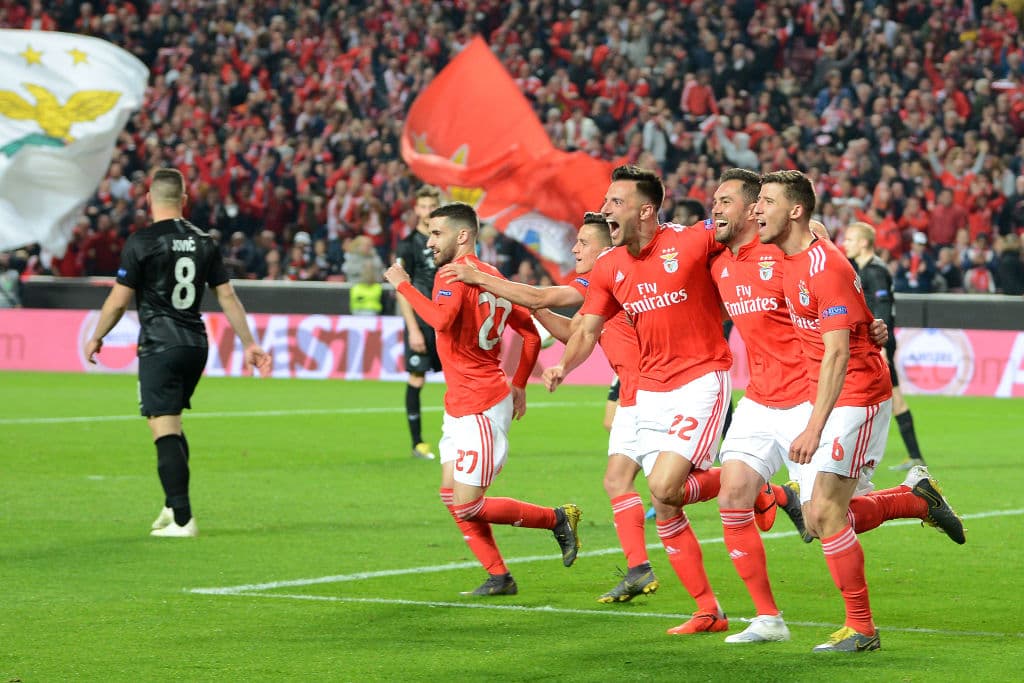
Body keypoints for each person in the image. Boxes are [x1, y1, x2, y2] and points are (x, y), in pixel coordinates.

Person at [709, 170, 961, 645]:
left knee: (824, 513)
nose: (758, 210)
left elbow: (839, 351)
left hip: (855, 394)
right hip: (811, 392)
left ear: (796, 210)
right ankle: (914, 499)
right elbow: (849, 314)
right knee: (820, 514)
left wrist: (813, 426)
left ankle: (862, 627)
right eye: (757, 202)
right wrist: (871, 325)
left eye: (766, 201)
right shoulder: (787, 257)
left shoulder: (821, 262)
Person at [441, 212, 678, 603]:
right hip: (635, 392)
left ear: (605, 248)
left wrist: (485, 280)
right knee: (621, 482)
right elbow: (575, 330)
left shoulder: (605, 273)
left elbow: (542, 297)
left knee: (671, 491)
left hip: (659, 390)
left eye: (583, 242)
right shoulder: (604, 283)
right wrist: (548, 337)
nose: (574, 249)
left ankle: (769, 495)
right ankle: (638, 569)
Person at [543, 166, 735, 635]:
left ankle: (751, 487)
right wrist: (565, 366)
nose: (606, 208)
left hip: (700, 379)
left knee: (666, 487)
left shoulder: (690, 240)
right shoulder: (609, 267)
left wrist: (808, 233)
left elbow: (744, 225)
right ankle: (708, 611)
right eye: (606, 201)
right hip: (649, 391)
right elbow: (587, 328)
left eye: (616, 202)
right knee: (664, 502)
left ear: (645, 210)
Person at [383, 201, 581, 596]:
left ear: (462, 235)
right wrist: (520, 383)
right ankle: (499, 576)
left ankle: (557, 518)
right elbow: (527, 333)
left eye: (436, 233)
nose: (429, 241)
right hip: (463, 401)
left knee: (468, 503)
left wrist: (402, 284)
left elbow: (440, 320)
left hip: (480, 404)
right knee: (449, 493)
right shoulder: (493, 278)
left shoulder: (451, 274)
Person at [83, 168, 271, 538]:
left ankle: (183, 518)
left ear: (149, 200)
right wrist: (249, 342)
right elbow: (227, 296)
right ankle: (172, 504)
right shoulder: (205, 240)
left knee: (163, 427)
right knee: (171, 423)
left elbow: (118, 302)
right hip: (195, 345)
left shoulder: (141, 241)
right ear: (184, 201)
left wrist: (96, 335)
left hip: (160, 345)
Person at [842, 222, 927, 472]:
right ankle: (914, 456)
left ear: (863, 243)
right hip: (875, 342)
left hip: (877, 343)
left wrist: (883, 348)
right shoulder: (866, 268)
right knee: (893, 398)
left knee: (891, 399)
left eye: (849, 239)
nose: (845, 244)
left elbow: (883, 311)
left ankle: (909, 456)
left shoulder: (875, 271)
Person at [394, 185, 443, 460]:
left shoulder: (446, 242)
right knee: (416, 378)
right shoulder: (408, 244)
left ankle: (459, 437)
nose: (426, 212)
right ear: (416, 209)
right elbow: (402, 288)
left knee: (458, 376)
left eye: (431, 207)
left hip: (446, 320)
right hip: (422, 323)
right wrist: (412, 328)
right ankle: (418, 443)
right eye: (422, 207)